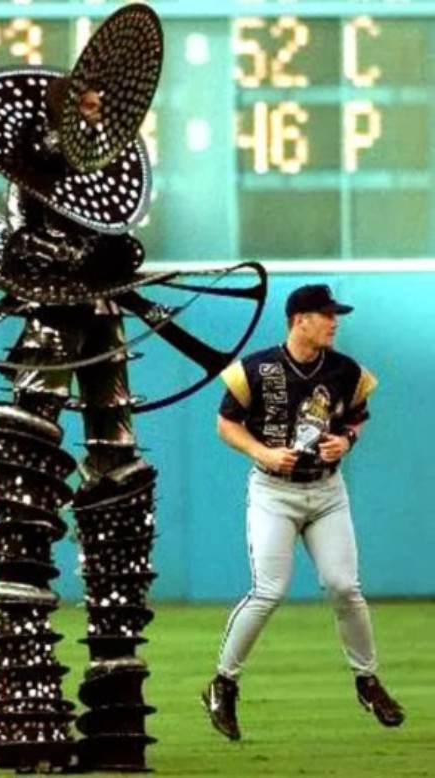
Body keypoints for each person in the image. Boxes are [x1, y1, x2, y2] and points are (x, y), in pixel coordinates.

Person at [201, 284, 404, 741]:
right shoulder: (257, 368)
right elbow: (225, 424)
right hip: (274, 492)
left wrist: (346, 441)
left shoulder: (345, 370)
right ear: (300, 320)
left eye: (335, 315)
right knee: (268, 591)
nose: (335, 322)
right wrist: (262, 452)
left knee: (344, 586)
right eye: (326, 315)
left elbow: (358, 417)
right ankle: (223, 683)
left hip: (327, 491)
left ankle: (367, 681)